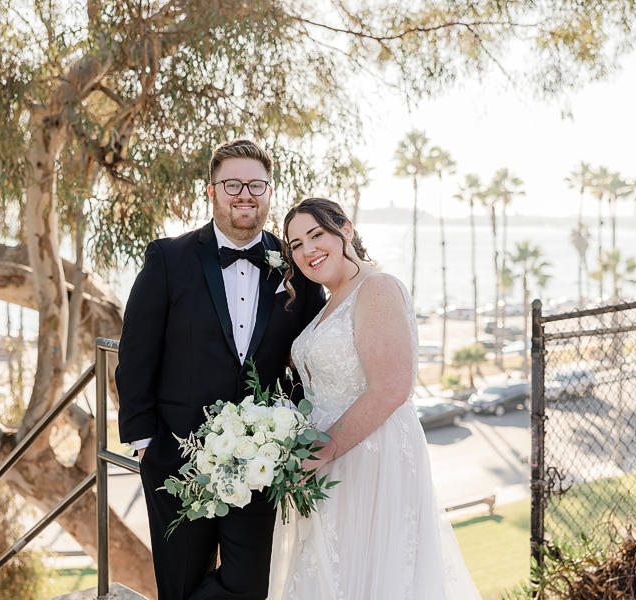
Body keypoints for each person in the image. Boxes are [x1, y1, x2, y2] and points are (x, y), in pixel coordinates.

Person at [116, 140, 326, 600]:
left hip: (261, 459)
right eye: (233, 184)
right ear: (212, 191)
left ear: (269, 192)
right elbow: (136, 353)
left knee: (248, 586)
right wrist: (144, 441)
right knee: (180, 582)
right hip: (176, 455)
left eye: (256, 185)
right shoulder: (168, 258)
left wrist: (293, 430)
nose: (245, 194)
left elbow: (312, 354)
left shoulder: (297, 265)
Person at [268, 198, 481, 599]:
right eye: (296, 245)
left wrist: (321, 451)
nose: (307, 250)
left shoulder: (376, 288)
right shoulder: (331, 300)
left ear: (346, 230)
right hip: (331, 463)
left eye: (316, 235)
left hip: (370, 458)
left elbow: (391, 388)